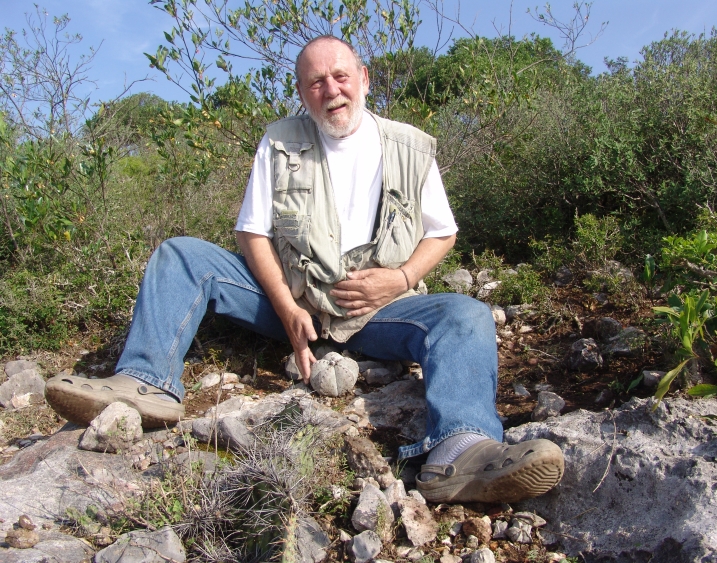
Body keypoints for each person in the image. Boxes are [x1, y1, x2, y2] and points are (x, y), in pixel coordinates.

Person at [46, 35, 564, 504]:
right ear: (302, 91)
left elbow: (442, 232)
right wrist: (287, 306)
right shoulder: (278, 141)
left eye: (341, 76)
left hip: (383, 310)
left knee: (468, 316)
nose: (331, 90)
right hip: (295, 305)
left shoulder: (412, 147)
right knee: (181, 254)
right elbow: (252, 231)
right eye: (316, 81)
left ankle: (460, 450)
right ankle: (145, 383)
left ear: (364, 79)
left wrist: (400, 279)